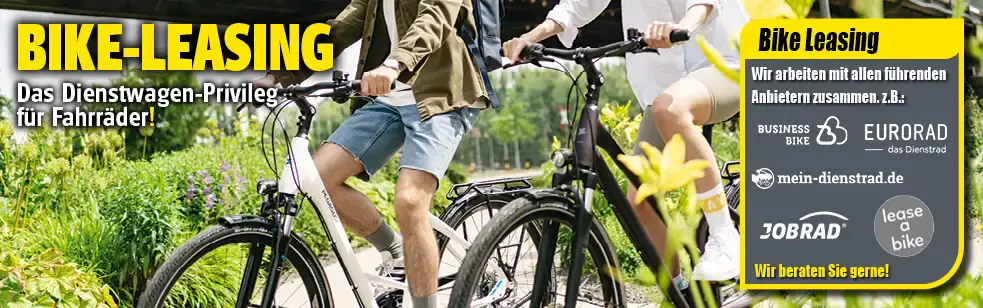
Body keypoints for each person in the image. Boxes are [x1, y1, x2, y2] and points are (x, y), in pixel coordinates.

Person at [252, 0, 490, 306]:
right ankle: (396, 250)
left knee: (410, 202)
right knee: (317, 177)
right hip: (389, 100)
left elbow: (436, 16)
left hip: (441, 95)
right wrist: (276, 77)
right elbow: (336, 32)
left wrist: (394, 64)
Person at [502, 0, 748, 290]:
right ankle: (683, 291)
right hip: (664, 85)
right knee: (640, 202)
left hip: (722, 62)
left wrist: (682, 27)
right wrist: (531, 37)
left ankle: (723, 235)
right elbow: (580, 4)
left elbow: (705, 4)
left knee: (672, 110)